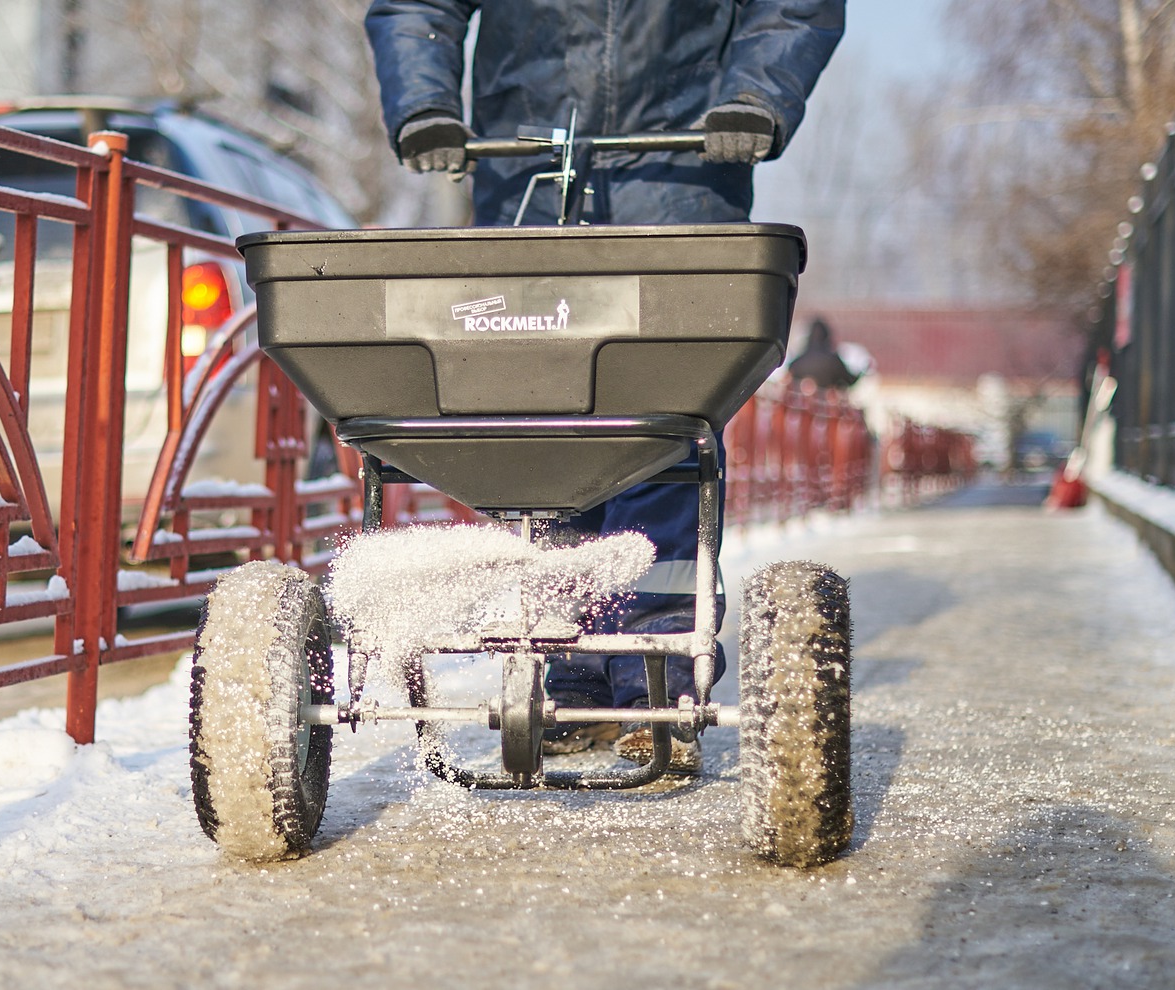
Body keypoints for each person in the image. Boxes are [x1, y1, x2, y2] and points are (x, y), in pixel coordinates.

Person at [366, 0, 844, 772]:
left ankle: (652, 680)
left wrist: (757, 96)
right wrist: (423, 103)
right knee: (541, 431)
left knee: (662, 435)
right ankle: (568, 671)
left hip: (682, 171)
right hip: (526, 173)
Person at [788, 317, 860, 391]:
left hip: (801, 402)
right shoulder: (833, 361)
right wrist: (861, 372)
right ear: (826, 336)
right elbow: (849, 380)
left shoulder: (797, 363)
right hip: (825, 401)